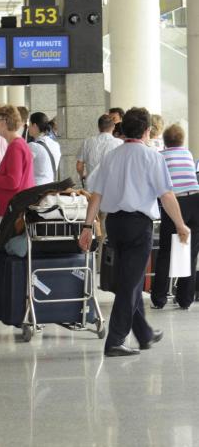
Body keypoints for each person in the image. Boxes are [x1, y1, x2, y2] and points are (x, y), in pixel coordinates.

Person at [79, 108, 190, 357]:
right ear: (147, 130)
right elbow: (166, 195)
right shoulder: (152, 157)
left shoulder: (111, 156)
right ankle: (115, 341)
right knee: (129, 284)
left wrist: (87, 226)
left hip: (115, 224)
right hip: (138, 226)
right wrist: (181, 224)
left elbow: (96, 194)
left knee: (132, 279)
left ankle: (144, 333)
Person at [151, 124, 199, 309]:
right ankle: (185, 299)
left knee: (166, 252)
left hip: (175, 204)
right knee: (191, 252)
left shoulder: (160, 156)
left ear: (165, 141)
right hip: (195, 201)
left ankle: (159, 298)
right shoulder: (187, 154)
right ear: (182, 140)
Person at [0, 104, 35, 220]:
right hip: (15, 209)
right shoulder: (17, 144)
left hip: (13, 211)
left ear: (4, 122)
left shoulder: (16, 147)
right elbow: (1, 181)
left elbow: (12, 182)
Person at [76, 114, 123, 189]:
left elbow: (79, 166)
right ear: (113, 127)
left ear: (98, 127)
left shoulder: (87, 142)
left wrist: (82, 175)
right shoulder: (119, 143)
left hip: (91, 187)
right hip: (111, 187)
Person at [28, 112, 61, 185]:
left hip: (37, 187)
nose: (28, 127)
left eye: (29, 124)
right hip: (51, 186)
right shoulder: (56, 145)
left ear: (34, 125)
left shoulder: (33, 146)